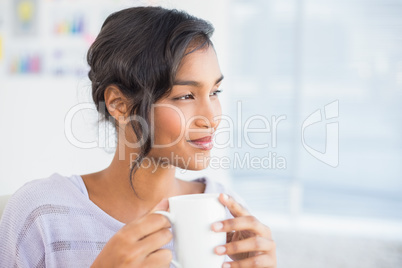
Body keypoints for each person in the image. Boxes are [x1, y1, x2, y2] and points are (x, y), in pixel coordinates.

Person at [0, 6, 277, 268]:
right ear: (119, 105)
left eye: (214, 92)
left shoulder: (227, 213)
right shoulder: (41, 214)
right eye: (185, 96)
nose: (212, 117)